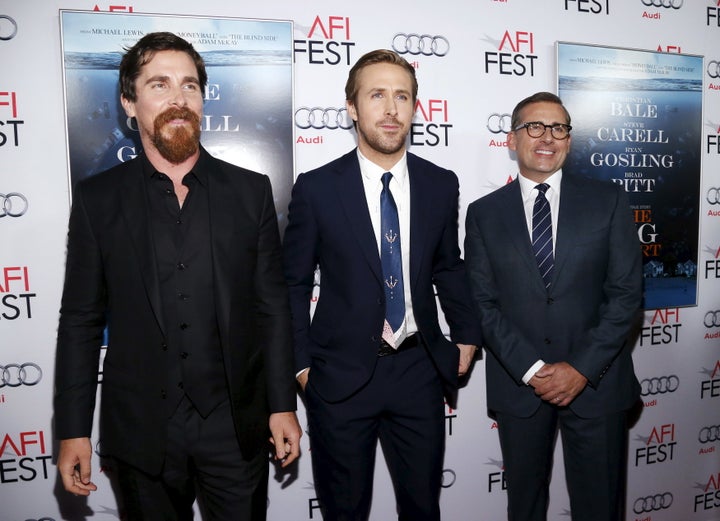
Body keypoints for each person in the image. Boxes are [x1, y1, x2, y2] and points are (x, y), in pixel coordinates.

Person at [54, 32, 301, 520]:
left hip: (234, 425)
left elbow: (271, 307)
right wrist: (73, 429)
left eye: (190, 86)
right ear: (130, 102)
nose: (178, 99)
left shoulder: (250, 192)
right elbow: (80, 320)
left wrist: (282, 404)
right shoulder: (97, 200)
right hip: (142, 430)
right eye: (159, 85)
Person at [282, 49, 482, 521]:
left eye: (402, 96)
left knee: (422, 508)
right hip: (339, 378)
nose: (391, 109)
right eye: (377, 95)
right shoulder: (317, 188)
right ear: (352, 108)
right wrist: (302, 368)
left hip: (419, 370)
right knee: (344, 511)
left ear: (415, 108)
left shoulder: (440, 183)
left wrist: (468, 336)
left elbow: (448, 266)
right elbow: (290, 285)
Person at [464, 91, 642, 521]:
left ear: (568, 139)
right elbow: (483, 303)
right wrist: (531, 370)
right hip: (519, 386)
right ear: (512, 140)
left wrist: (580, 368)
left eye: (559, 128)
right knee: (524, 507)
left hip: (596, 385)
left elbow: (626, 296)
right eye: (535, 127)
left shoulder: (609, 201)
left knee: (600, 507)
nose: (548, 137)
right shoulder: (483, 213)